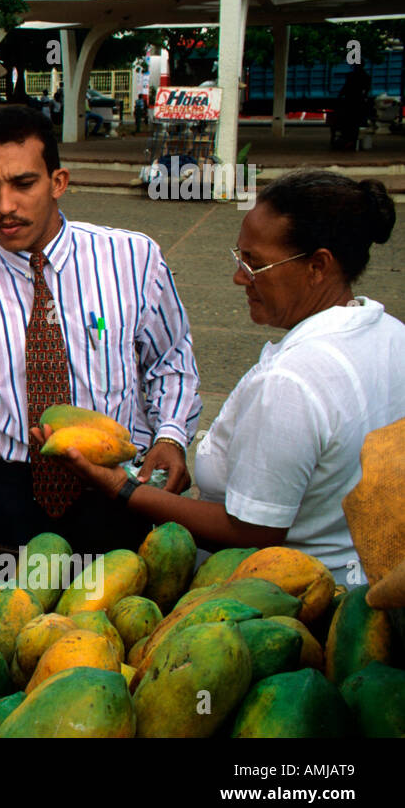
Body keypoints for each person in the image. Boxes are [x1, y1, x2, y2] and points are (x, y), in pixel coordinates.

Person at [44, 171, 402, 585]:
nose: (239, 277)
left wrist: (122, 489)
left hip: (280, 593)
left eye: (255, 264)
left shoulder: (293, 380)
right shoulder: (391, 334)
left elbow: (252, 530)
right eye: (240, 259)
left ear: (318, 266)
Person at [0, 105, 202, 554]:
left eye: (23, 184)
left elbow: (170, 362)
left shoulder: (133, 260)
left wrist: (171, 436)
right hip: (8, 497)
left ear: (58, 182)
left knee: (124, 616)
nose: (4, 206)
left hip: (119, 489)